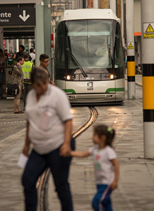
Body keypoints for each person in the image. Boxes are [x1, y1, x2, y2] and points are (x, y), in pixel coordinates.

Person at [22, 68, 75, 211]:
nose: (44, 87)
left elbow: (68, 121)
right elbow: (29, 121)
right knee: (27, 180)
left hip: (58, 145)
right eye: (39, 85)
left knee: (60, 184)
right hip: (39, 148)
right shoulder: (31, 96)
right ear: (33, 84)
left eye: (45, 83)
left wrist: (66, 144)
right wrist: (26, 145)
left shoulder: (57, 95)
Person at [71, 124, 119, 211]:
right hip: (99, 182)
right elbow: (82, 154)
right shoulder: (95, 148)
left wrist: (115, 180)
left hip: (107, 183)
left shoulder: (109, 151)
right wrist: (70, 153)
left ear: (102, 138)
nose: (92, 138)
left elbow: (116, 165)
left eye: (94, 135)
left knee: (96, 202)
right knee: (106, 202)